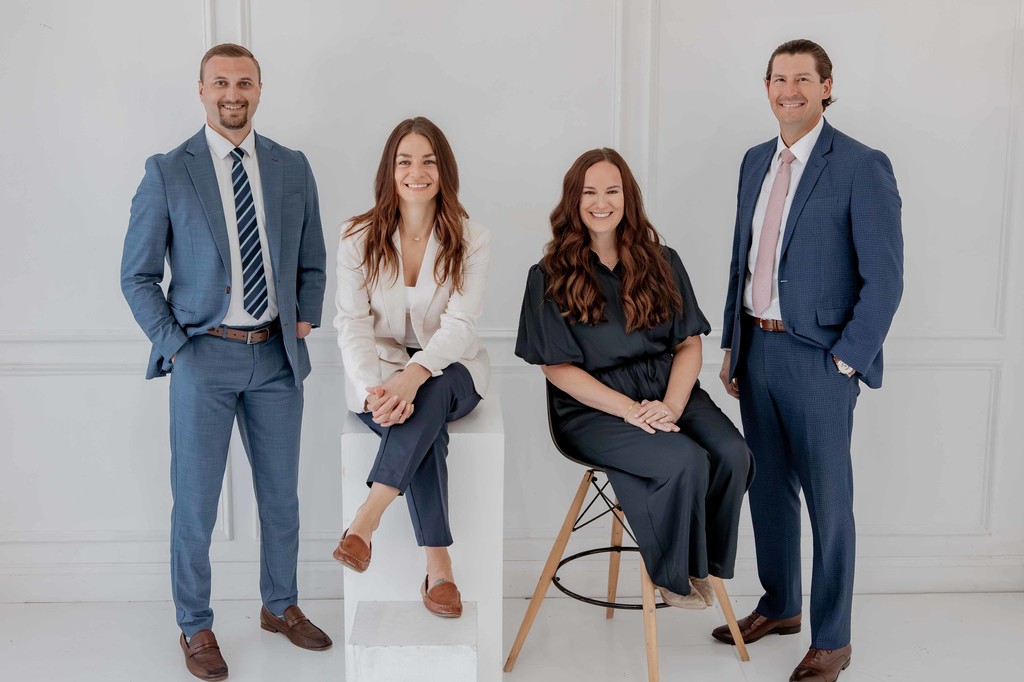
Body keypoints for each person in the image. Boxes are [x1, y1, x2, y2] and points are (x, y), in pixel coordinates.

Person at [120, 43, 330, 681]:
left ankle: (280, 604)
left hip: (276, 357)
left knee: (282, 498)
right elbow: (136, 276)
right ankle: (195, 624)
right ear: (202, 90)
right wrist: (177, 345)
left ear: (259, 89)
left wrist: (305, 314)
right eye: (220, 83)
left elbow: (312, 257)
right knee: (196, 504)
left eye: (244, 82)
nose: (232, 94)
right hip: (202, 357)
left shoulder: (291, 166)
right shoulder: (167, 171)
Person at [713, 39, 903, 682]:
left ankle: (833, 640)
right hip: (757, 348)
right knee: (767, 488)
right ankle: (781, 605)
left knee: (828, 501)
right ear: (766, 88)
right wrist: (733, 344)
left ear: (826, 87)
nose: (788, 90)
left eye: (802, 79)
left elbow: (886, 281)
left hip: (821, 358)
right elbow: (743, 259)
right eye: (778, 79)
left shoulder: (860, 165)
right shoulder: (753, 162)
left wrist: (847, 360)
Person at [515, 148, 752, 610]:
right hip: (593, 408)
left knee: (732, 453)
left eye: (612, 191)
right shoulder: (548, 275)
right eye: (589, 192)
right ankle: (672, 572)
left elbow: (688, 344)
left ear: (628, 198)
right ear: (573, 200)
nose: (601, 202)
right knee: (684, 460)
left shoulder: (663, 260)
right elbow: (556, 367)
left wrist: (671, 406)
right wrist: (630, 411)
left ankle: (698, 562)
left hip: (667, 390)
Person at [332, 116, 491, 619]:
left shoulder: (472, 238)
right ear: (390, 169)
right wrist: (371, 388)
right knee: (426, 428)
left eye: (428, 161)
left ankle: (366, 519)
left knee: (431, 394)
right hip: (379, 372)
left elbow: (460, 324)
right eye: (405, 161)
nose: (416, 172)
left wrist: (415, 374)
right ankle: (439, 567)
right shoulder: (357, 237)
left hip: (453, 368)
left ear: (444, 171)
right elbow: (351, 323)